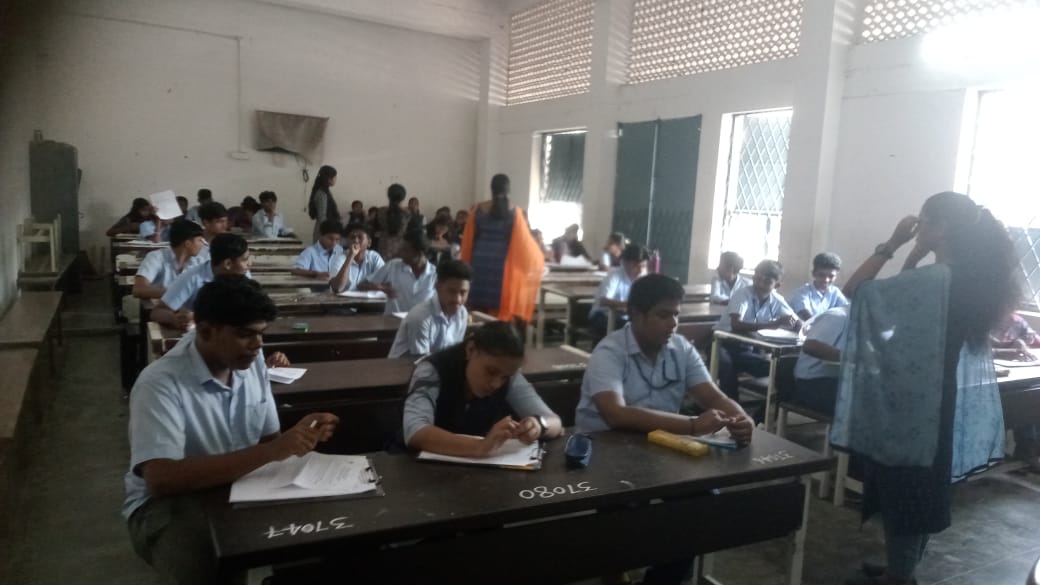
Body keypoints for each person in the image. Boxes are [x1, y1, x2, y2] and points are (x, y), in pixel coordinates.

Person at [833, 192, 1015, 585]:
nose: (918, 228)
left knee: (902, 488)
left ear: (942, 228)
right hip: (938, 398)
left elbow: (854, 290)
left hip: (910, 404)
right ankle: (903, 568)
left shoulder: (935, 280)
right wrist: (915, 257)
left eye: (924, 221)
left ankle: (899, 578)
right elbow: (902, 313)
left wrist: (893, 243)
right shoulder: (963, 279)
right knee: (923, 487)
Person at [123, 276, 338, 585]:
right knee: (206, 555)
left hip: (237, 484)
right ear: (205, 330)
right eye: (245, 335)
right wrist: (273, 451)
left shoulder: (252, 362)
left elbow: (269, 440)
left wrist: (298, 438)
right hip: (167, 503)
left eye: (261, 334)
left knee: (318, 533)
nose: (258, 345)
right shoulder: (160, 383)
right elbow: (161, 479)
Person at [575, 273, 754, 585]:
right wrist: (693, 425)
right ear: (636, 314)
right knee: (623, 508)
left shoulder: (681, 348)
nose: (673, 323)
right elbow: (615, 414)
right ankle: (612, 571)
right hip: (606, 450)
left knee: (704, 501)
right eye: (663, 315)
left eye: (676, 314)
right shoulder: (610, 351)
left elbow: (713, 397)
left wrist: (742, 419)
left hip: (661, 446)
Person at [402, 321, 563, 457]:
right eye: (491, 372)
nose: (496, 384)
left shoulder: (509, 373)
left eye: (505, 377)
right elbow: (415, 431)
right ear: (471, 350)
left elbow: (554, 421)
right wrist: (480, 446)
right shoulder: (431, 370)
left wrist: (538, 424)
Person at [460, 174, 545, 321]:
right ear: (508, 190)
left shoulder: (478, 209)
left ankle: (475, 327)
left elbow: (469, 238)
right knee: (498, 304)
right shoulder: (515, 212)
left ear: (491, 189)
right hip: (502, 265)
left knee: (477, 304)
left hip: (479, 261)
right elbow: (524, 243)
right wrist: (540, 257)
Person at [713, 259, 801, 402]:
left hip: (747, 349)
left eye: (767, 282)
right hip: (721, 344)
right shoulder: (743, 294)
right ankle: (731, 408)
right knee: (727, 369)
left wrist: (795, 324)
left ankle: (765, 412)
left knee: (780, 370)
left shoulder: (776, 299)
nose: (760, 284)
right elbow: (736, 324)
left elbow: (794, 320)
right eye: (757, 279)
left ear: (777, 285)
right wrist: (771, 325)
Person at [151, 233, 252, 330]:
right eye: (245, 260)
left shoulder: (244, 275)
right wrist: (175, 319)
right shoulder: (191, 278)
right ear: (228, 264)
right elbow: (157, 312)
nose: (249, 264)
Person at [388, 259, 471, 359]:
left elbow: (453, 353)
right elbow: (421, 362)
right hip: (404, 367)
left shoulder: (462, 314)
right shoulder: (421, 317)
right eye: (451, 291)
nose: (457, 299)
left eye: (463, 292)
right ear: (437, 287)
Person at [361, 227, 436, 315]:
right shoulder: (393, 265)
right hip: (391, 321)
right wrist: (380, 288)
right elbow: (362, 285)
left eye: (405, 250)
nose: (400, 253)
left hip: (420, 322)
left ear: (420, 253)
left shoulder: (435, 274)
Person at [790, 306, 848, 415]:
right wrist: (851, 358)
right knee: (863, 402)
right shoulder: (837, 317)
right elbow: (810, 346)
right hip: (812, 382)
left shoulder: (866, 324)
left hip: (837, 379)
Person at [132, 219, 207, 300]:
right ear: (187, 243)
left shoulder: (200, 262)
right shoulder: (156, 257)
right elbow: (139, 289)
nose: (202, 244)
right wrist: (176, 295)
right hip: (158, 306)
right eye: (200, 240)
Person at [588, 244, 649, 338]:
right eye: (636, 266)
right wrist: (630, 305)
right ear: (625, 263)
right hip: (602, 315)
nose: (640, 270)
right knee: (629, 330)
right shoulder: (614, 275)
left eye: (643, 266)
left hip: (625, 317)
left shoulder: (643, 277)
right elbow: (604, 300)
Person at [789, 252, 849, 321]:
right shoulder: (802, 292)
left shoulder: (835, 292)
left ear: (836, 276)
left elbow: (846, 310)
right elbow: (804, 315)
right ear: (814, 274)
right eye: (821, 275)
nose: (826, 280)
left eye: (831, 276)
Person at [329, 223, 385, 293]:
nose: (356, 240)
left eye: (360, 237)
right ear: (347, 241)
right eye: (352, 237)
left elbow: (384, 280)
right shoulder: (339, 257)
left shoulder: (374, 257)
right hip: (342, 300)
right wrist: (351, 256)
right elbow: (338, 288)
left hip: (367, 299)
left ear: (369, 243)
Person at [375, 183, 413, 260]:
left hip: (384, 246)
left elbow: (376, 229)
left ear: (388, 196)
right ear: (403, 197)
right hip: (401, 248)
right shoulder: (408, 214)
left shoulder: (381, 211)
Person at [308, 165, 340, 243]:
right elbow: (322, 217)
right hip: (324, 232)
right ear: (329, 178)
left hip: (327, 230)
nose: (336, 179)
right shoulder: (322, 193)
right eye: (335, 177)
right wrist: (327, 235)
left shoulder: (325, 192)